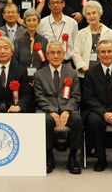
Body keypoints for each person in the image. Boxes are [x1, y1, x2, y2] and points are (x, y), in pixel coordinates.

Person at [34, 41, 83, 174]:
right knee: (46, 121)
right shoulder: (39, 74)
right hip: (47, 109)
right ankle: (49, 156)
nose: (56, 56)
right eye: (52, 53)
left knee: (77, 120)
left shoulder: (72, 73)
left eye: (59, 52)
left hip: (68, 108)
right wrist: (52, 111)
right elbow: (39, 97)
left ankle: (72, 158)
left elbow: (76, 96)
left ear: (63, 54)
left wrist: (67, 110)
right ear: (47, 55)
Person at [82, 40, 112, 171]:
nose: (106, 54)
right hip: (97, 111)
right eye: (103, 52)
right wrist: (104, 112)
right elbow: (88, 97)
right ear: (98, 54)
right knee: (93, 121)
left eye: (109, 51)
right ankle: (101, 159)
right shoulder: (90, 73)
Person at [73, 0, 112, 81]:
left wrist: (106, 69)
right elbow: (76, 54)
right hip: (85, 74)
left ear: (100, 14)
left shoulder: (110, 33)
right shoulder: (81, 33)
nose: (91, 16)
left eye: (94, 13)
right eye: (88, 14)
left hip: (105, 74)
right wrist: (86, 70)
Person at [37, 0, 79, 66]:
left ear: (63, 4)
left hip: (67, 63)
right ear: (49, 6)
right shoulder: (42, 23)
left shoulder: (72, 23)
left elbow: (76, 45)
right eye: (52, 3)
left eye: (58, 2)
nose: (55, 5)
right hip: (47, 65)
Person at [13, 8, 49, 76]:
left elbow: (46, 62)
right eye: (29, 20)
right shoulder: (19, 40)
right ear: (25, 22)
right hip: (22, 76)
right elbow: (15, 61)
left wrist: (39, 77)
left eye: (34, 20)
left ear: (39, 21)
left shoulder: (44, 40)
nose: (32, 23)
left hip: (40, 77)